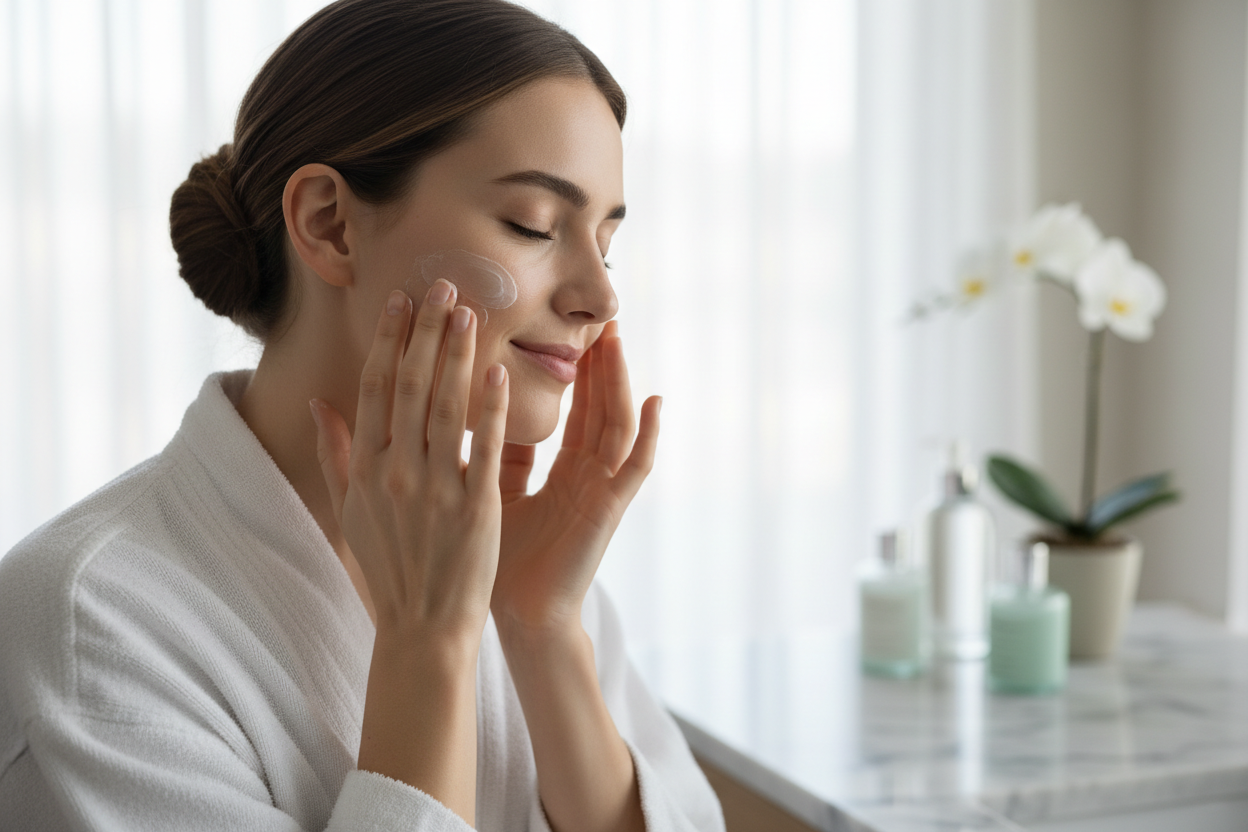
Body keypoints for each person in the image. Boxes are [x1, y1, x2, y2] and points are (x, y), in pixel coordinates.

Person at [0, 1, 725, 829]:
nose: (599, 296)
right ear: (330, 225)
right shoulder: (89, 625)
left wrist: (542, 629)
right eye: (532, 225)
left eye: (606, 244)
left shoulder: (516, 557)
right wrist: (428, 645)